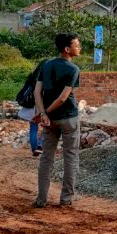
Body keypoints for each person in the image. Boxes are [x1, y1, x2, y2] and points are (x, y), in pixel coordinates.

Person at [33, 33, 82, 208]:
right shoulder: (73, 69)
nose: (80, 48)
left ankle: (41, 199)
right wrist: (46, 112)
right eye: (77, 45)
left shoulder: (46, 65)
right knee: (70, 157)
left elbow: (37, 92)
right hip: (69, 118)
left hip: (50, 121)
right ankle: (66, 199)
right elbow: (63, 98)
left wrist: (43, 114)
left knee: (46, 158)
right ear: (67, 49)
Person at [17, 59, 48, 157]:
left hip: (30, 106)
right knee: (47, 127)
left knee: (33, 128)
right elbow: (40, 94)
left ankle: (35, 149)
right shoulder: (45, 78)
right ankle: (40, 145)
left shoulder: (32, 76)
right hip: (41, 105)